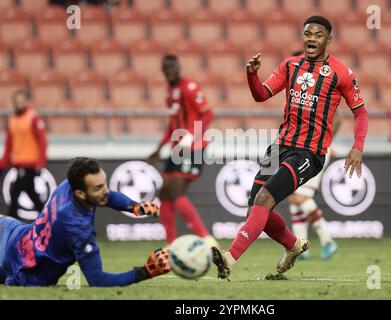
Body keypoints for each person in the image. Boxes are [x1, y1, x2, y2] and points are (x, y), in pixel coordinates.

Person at [211, 15, 368, 279]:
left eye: (318, 35)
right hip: (280, 146)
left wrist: (357, 147)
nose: (312, 39)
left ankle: (230, 257)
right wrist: (252, 76)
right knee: (255, 210)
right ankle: (293, 245)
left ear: (329, 40)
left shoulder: (341, 73)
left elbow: (360, 113)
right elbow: (261, 94)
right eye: (308, 34)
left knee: (264, 199)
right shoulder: (290, 66)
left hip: (309, 153)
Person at [0, 157, 170, 286]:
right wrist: (145, 272)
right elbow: (97, 279)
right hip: (22, 270)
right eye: (98, 188)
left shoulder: (71, 184)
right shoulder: (77, 228)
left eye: (104, 184)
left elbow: (108, 197)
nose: (105, 191)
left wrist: (134, 207)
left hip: (13, 230)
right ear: (80, 194)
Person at [147, 54, 218, 248]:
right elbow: (172, 124)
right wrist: (159, 148)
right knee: (165, 193)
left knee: (176, 191)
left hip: (193, 147)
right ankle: (171, 244)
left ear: (178, 68)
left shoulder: (190, 87)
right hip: (176, 148)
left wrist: (190, 136)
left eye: (172, 68)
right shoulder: (169, 93)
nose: (169, 72)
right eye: (166, 69)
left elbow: (208, 114)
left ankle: (207, 239)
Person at [290, 112, 341, 260]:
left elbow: (337, 118)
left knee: (302, 196)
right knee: (294, 198)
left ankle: (328, 241)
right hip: (304, 151)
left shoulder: (321, 106)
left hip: (316, 152)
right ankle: (301, 247)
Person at [0, 90, 47, 220]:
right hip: (18, 164)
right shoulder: (13, 120)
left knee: (15, 194)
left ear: (26, 102)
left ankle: (10, 225)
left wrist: (41, 163)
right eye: (17, 101)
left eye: (21, 101)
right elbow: (9, 145)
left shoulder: (33, 118)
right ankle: (49, 219)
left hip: (30, 165)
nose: (19, 103)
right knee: (31, 194)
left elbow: (42, 142)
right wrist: (2, 164)